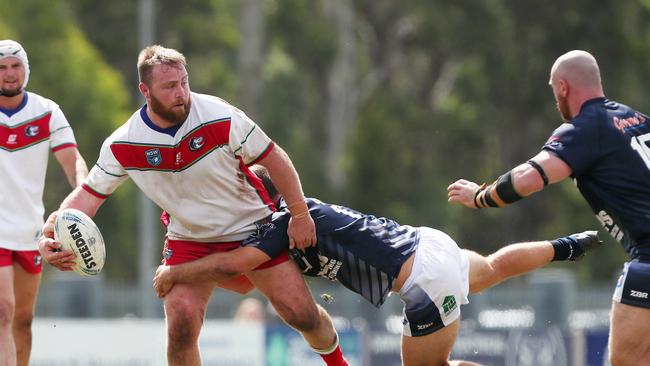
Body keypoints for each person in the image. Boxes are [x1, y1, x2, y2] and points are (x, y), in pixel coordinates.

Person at [36, 45, 348, 366]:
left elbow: (274, 157)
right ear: (145, 91)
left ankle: (339, 362)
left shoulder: (219, 115)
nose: (181, 92)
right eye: (170, 86)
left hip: (253, 229)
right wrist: (52, 234)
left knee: (302, 316)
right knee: (181, 327)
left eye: (184, 82)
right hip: (189, 241)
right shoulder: (124, 143)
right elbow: (86, 197)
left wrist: (299, 213)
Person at [153, 165, 603, 366]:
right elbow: (246, 282)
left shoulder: (280, 223)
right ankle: (565, 246)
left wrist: (176, 272)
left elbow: (238, 262)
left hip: (423, 281)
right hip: (429, 244)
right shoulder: (289, 220)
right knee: (492, 267)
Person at [447, 50, 650, 366]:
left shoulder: (584, 129)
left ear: (563, 87)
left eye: (555, 92)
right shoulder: (636, 120)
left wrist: (480, 196)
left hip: (648, 259)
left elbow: (528, 179)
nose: (557, 102)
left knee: (626, 361)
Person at [0, 40, 88, 366]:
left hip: (29, 232)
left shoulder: (46, 111)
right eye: (2, 68)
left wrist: (83, 199)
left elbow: (73, 161)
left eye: (15, 66)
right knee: (3, 311)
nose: (9, 74)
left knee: (22, 321)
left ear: (25, 69)